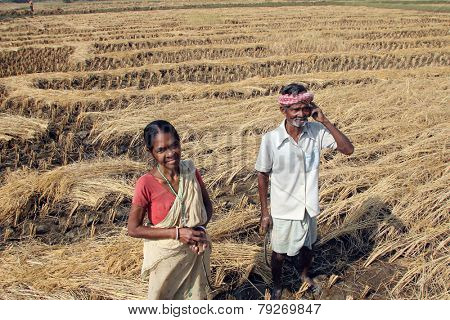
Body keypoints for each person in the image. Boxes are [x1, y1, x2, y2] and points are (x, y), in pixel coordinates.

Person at [255, 83, 354, 299]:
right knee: (279, 253)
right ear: (284, 111)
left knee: (308, 248)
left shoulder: (317, 131)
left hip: (308, 207)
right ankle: (278, 284)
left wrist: (325, 120)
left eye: (305, 109)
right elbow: (262, 174)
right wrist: (265, 212)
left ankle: (304, 275)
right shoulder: (271, 139)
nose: (301, 114)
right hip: (283, 208)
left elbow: (348, 149)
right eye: (295, 110)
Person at [128, 120, 213, 300]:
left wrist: (200, 231)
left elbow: (207, 207)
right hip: (166, 260)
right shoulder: (146, 184)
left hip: (195, 253)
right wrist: (177, 234)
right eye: (161, 150)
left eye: (174, 145)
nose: (171, 153)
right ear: (150, 152)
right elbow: (133, 229)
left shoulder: (190, 171)